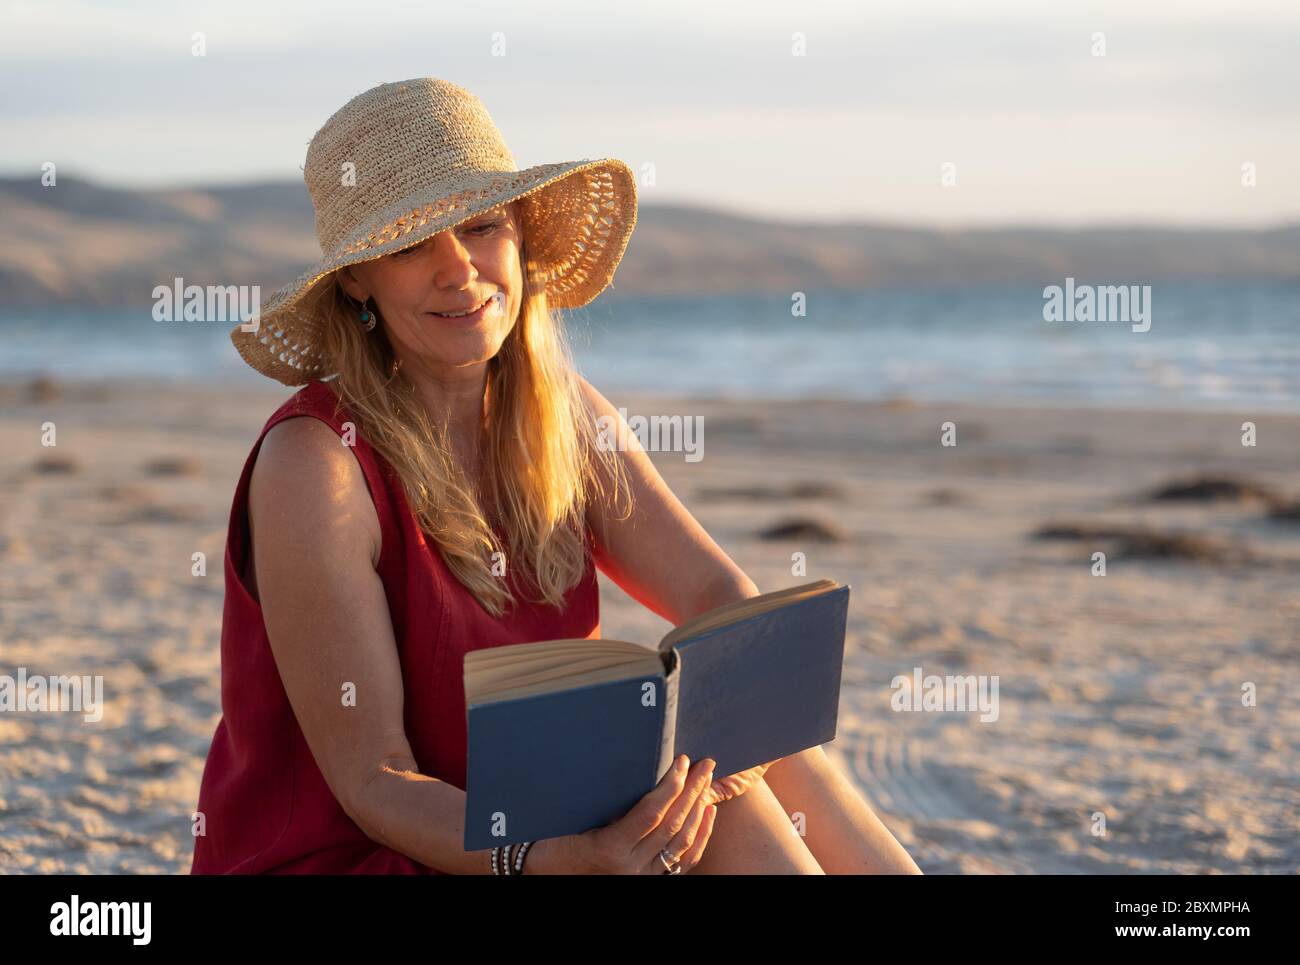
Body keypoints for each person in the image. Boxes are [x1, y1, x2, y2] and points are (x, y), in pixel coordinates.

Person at [190, 77, 921, 875]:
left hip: (549, 818)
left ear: (520, 239)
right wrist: (567, 857)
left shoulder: (558, 415)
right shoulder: (315, 463)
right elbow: (376, 782)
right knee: (710, 801)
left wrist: (727, 737)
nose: (458, 269)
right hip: (383, 851)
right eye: (409, 241)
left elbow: (719, 597)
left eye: (481, 225)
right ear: (358, 277)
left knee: (745, 767)